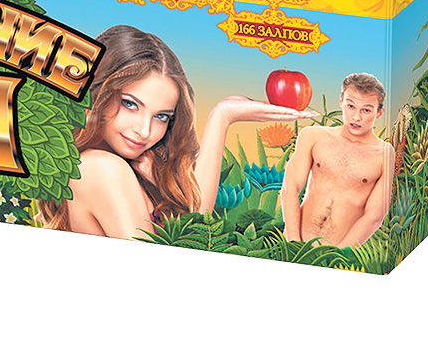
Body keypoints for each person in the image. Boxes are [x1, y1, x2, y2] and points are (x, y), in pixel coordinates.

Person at [39, 25, 317, 239]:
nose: (144, 131)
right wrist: (221, 117)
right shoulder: (103, 167)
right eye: (130, 104)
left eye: (161, 117)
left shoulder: (118, 165)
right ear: (99, 92)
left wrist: (222, 117)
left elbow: (196, 219)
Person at [281, 72, 394, 248]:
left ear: (379, 112)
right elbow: (290, 188)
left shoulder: (384, 154)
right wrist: (293, 243)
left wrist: (338, 254)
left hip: (338, 253)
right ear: (341, 101)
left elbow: (375, 215)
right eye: (351, 106)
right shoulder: (313, 136)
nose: (356, 117)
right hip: (293, 242)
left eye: (366, 110)